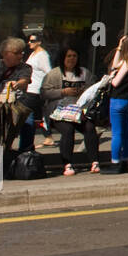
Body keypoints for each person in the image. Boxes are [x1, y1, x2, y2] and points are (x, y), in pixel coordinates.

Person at [0, 37, 32, 176]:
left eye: (22, 52)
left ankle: (23, 163)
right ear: (5, 53)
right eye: (17, 52)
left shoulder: (25, 67)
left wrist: (17, 84)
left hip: (17, 106)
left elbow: (25, 80)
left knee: (28, 124)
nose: (21, 55)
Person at [42, 46, 98, 175]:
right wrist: (63, 92)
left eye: (74, 56)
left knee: (89, 128)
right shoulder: (54, 74)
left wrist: (84, 92)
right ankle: (67, 164)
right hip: (59, 112)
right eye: (69, 56)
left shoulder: (84, 73)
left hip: (78, 111)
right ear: (63, 58)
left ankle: (95, 162)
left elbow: (93, 89)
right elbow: (44, 93)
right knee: (68, 130)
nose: (72, 59)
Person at [106, 34, 128, 174]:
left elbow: (115, 82)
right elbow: (115, 64)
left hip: (118, 100)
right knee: (126, 132)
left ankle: (115, 161)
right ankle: (127, 159)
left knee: (117, 133)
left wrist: (119, 48)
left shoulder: (126, 63)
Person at [23, 33, 52, 149]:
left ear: (39, 42)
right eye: (29, 41)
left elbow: (48, 72)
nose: (29, 43)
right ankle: (48, 137)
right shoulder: (33, 54)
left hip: (36, 89)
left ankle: (28, 143)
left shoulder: (42, 55)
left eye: (32, 41)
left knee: (29, 115)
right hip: (30, 88)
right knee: (40, 115)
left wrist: (47, 87)